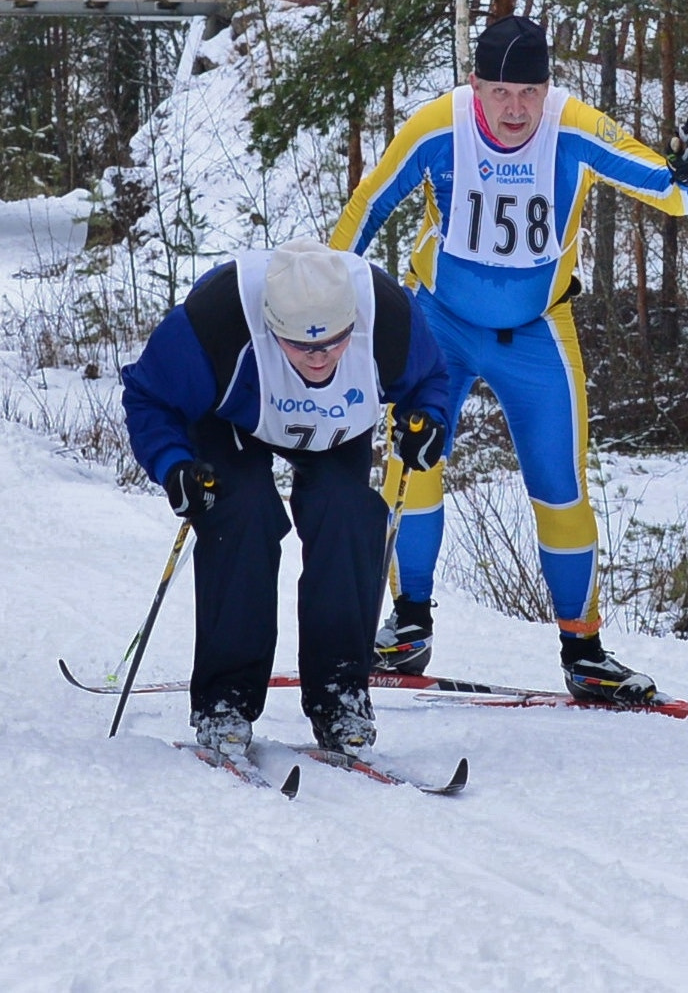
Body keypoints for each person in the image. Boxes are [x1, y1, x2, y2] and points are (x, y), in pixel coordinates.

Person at [330, 14, 688, 703]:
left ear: (548, 89)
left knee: (560, 488)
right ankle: (408, 625)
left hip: (537, 332)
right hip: (439, 327)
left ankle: (584, 651)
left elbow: (677, 194)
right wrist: (322, 292)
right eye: (498, 92)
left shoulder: (574, 126)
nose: (513, 109)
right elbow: (367, 206)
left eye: (527, 93)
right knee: (414, 465)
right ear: (475, 84)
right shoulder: (438, 125)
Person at [121, 238, 450, 756]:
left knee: (350, 516)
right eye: (301, 346)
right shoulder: (216, 321)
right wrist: (174, 466)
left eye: (334, 343)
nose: (318, 358)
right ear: (271, 324)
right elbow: (147, 396)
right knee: (241, 515)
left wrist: (429, 422)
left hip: (336, 423)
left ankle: (340, 694)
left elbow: (429, 379)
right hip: (235, 416)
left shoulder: (385, 314)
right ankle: (225, 697)